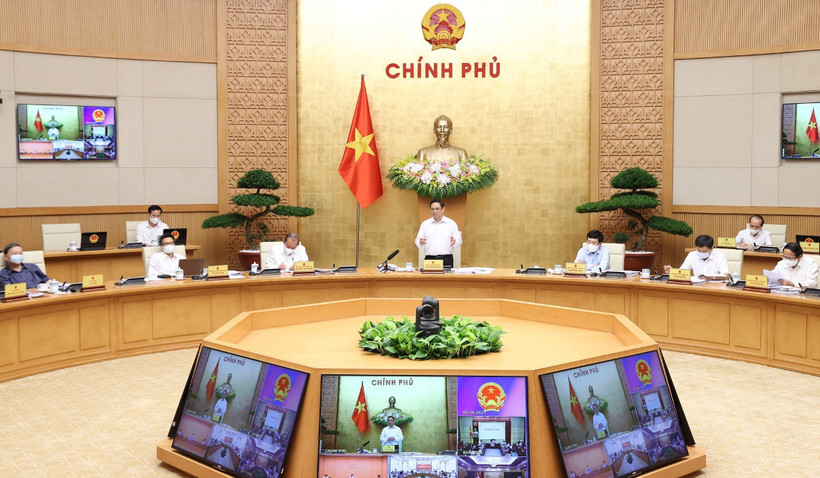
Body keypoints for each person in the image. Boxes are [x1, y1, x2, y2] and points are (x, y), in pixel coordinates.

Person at [415, 199, 462, 268]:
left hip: (446, 259)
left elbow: (459, 240)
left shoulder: (451, 223)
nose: (434, 211)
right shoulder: (425, 224)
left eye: (437, 209)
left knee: (446, 278)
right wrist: (420, 242)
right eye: (432, 209)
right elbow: (417, 240)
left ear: (443, 209)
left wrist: (454, 242)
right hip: (430, 259)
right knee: (430, 279)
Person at [664, 234, 729, 279]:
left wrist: (709, 277)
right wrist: (673, 271)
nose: (701, 252)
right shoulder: (692, 255)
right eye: (698, 250)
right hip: (697, 286)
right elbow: (683, 271)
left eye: (704, 251)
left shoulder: (720, 256)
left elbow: (726, 276)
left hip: (715, 286)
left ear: (711, 249)